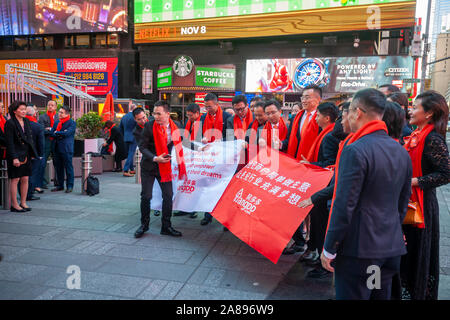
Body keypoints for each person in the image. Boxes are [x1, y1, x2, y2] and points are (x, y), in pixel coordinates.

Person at [320, 88, 412, 300]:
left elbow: (344, 205)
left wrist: (329, 247)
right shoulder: (399, 149)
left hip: (359, 252)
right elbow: (402, 203)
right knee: (377, 295)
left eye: (349, 112)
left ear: (358, 113)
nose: (348, 117)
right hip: (387, 247)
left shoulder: (356, 150)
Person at [401, 90, 450, 300]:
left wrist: (415, 182)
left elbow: (446, 174)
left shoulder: (432, 139)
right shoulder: (416, 134)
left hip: (422, 204)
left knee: (417, 249)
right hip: (409, 200)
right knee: (408, 248)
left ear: (428, 113)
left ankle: (416, 292)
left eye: (415, 108)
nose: (410, 111)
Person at [297, 102, 351, 266]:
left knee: (322, 225)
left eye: (318, 116)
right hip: (329, 189)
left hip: (327, 189)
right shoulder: (333, 136)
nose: (341, 121)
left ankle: (323, 258)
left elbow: (330, 165)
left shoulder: (332, 137)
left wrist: (312, 165)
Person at [134, 101, 185, 238]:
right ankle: (144, 225)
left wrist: (201, 147)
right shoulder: (149, 126)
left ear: (167, 114)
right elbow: (142, 147)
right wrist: (155, 158)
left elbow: (183, 143)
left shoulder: (177, 126)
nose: (155, 116)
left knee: (168, 196)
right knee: (146, 196)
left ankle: (166, 226)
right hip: (149, 165)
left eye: (158, 113)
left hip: (164, 166)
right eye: (154, 113)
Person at [200, 93, 232, 226]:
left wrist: (221, 140)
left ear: (217, 104)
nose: (208, 109)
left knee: (223, 187)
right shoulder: (203, 118)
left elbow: (231, 137)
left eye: (210, 106)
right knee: (207, 186)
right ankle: (207, 215)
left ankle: (224, 218)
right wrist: (201, 139)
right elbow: (198, 134)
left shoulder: (227, 117)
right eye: (206, 107)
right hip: (208, 157)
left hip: (223, 158)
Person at [4, 101, 38, 212]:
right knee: (15, 179)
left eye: (25, 109)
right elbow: (9, 143)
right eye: (22, 109)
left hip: (26, 153)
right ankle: (14, 204)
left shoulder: (27, 121)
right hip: (15, 155)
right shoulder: (10, 123)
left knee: (25, 178)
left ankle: (23, 202)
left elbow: (29, 139)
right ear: (15, 111)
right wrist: (14, 157)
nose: (24, 111)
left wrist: (32, 154)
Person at [282, 85, 321, 159]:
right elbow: (289, 140)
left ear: (318, 99)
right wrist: (280, 144)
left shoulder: (322, 118)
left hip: (312, 162)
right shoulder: (295, 118)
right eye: (302, 97)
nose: (303, 101)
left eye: (307, 97)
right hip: (295, 161)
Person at [50, 105, 76, 193]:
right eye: (59, 112)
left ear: (67, 114)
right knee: (58, 168)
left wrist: (57, 132)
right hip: (56, 147)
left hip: (66, 148)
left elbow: (67, 133)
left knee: (68, 168)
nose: (59, 114)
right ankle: (60, 185)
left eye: (61, 112)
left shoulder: (72, 123)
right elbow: (51, 133)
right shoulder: (56, 122)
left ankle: (70, 186)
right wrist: (60, 133)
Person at [25, 106, 44, 201]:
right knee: (32, 174)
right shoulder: (38, 126)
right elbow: (41, 143)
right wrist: (40, 155)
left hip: (22, 154)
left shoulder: (21, 124)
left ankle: (23, 193)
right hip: (34, 154)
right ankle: (29, 194)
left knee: (23, 175)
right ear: (34, 114)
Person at [38, 100, 59, 189]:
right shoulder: (42, 117)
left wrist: (49, 129)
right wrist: (52, 130)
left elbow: (60, 129)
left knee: (57, 162)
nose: (50, 106)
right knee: (42, 162)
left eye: (52, 105)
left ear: (55, 107)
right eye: (49, 105)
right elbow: (41, 130)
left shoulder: (58, 116)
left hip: (56, 142)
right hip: (46, 142)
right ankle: (42, 182)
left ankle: (58, 181)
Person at [120, 104, 138, 177]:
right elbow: (138, 127)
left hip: (125, 137)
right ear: (134, 109)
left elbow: (120, 128)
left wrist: (124, 135)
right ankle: (126, 170)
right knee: (131, 153)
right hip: (134, 137)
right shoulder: (135, 117)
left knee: (129, 153)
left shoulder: (124, 116)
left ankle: (132, 169)